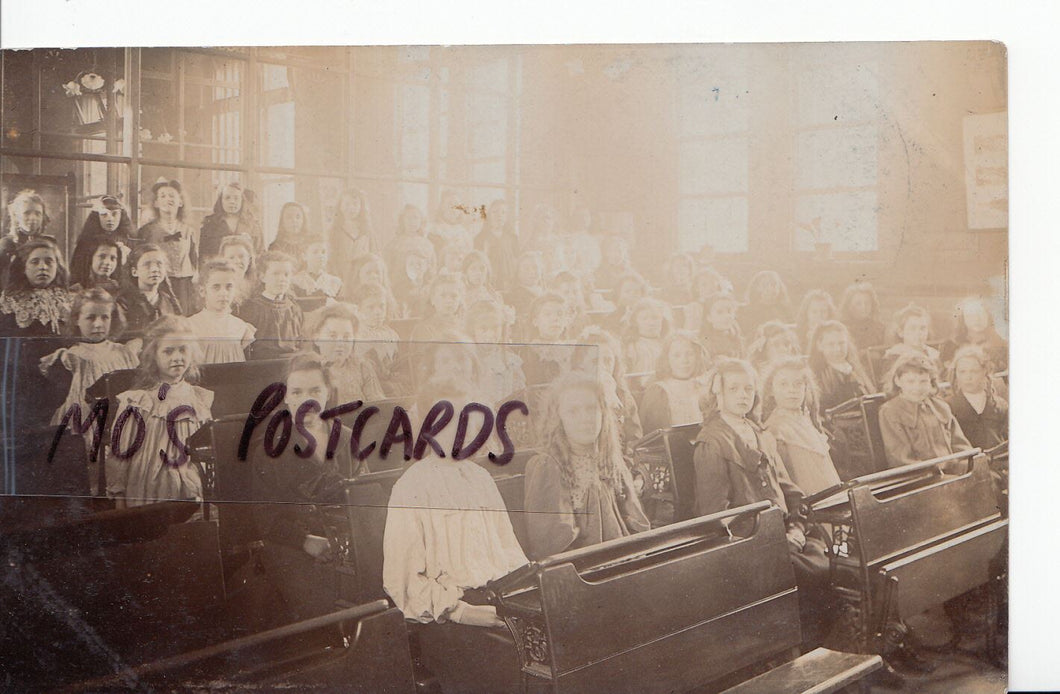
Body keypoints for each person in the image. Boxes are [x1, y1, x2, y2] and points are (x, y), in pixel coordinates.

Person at [692, 358, 832, 644]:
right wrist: (771, 537)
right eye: (733, 389)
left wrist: (795, 526)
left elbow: (788, 488)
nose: (743, 395)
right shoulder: (712, 442)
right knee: (810, 574)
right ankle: (803, 652)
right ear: (717, 396)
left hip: (785, 532)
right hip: (750, 541)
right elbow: (716, 514)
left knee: (824, 557)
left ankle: (822, 649)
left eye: (748, 388)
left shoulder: (759, 433)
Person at [250, 352, 361, 622]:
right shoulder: (270, 448)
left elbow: (362, 494)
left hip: (345, 540)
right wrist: (304, 541)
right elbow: (265, 517)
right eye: (297, 392)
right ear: (285, 397)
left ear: (328, 392)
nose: (306, 400)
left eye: (315, 390)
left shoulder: (346, 438)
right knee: (322, 612)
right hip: (292, 545)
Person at [523, 372, 650, 560]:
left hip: (624, 560)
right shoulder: (547, 466)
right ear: (558, 419)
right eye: (573, 411)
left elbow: (637, 523)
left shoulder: (611, 459)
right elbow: (553, 545)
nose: (585, 418)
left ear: (604, 413)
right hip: (584, 571)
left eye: (591, 408)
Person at [110, 316, 212, 507]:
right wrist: (118, 494)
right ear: (153, 357)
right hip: (148, 480)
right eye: (168, 351)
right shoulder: (139, 401)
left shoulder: (199, 399)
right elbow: (120, 452)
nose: (177, 357)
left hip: (189, 477)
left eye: (183, 349)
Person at [40, 288, 137, 485]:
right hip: (85, 417)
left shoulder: (123, 353)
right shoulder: (72, 356)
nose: (99, 324)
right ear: (76, 319)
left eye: (105, 317)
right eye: (90, 318)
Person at [762, 357, 842, 495]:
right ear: (771, 390)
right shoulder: (775, 430)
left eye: (798, 384)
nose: (792, 390)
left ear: (806, 388)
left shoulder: (808, 422)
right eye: (783, 384)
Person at [877, 354, 973, 469]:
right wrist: (937, 470)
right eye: (910, 382)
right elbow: (900, 458)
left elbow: (961, 446)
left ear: (931, 382)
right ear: (897, 381)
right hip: (921, 476)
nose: (917, 388)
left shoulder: (940, 407)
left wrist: (968, 464)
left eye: (923, 381)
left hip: (951, 469)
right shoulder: (890, 412)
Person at [573, 326, 644, 455]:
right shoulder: (572, 396)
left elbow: (634, 439)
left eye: (607, 361)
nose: (602, 367)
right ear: (581, 365)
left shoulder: (623, 397)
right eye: (594, 361)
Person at [135, 179, 199, 314]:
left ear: (180, 202)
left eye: (172, 196)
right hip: (159, 282)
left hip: (183, 285)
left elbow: (194, 258)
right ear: (156, 203)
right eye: (162, 196)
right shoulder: (147, 231)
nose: (167, 199)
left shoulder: (188, 230)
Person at [307, 303, 385, 404]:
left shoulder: (362, 367)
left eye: (346, 337)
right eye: (332, 336)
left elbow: (380, 407)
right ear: (316, 338)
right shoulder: (307, 370)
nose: (340, 343)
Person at [639, 330, 711, 436]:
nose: (684, 361)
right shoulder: (659, 391)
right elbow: (654, 435)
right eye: (677, 355)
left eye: (689, 354)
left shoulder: (704, 387)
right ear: (667, 359)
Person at [236, 250, 304, 360]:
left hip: (290, 365)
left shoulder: (294, 308)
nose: (282, 279)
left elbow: (299, 342)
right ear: (263, 277)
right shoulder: (252, 307)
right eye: (276, 274)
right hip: (261, 365)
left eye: (286, 274)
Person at [186, 260, 256, 364]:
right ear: (203, 291)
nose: (223, 293)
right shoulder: (190, 325)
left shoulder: (241, 327)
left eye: (229, 287)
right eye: (216, 287)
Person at [0, 237, 70, 338]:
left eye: (49, 262)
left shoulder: (67, 299)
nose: (43, 267)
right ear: (24, 268)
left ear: (57, 267)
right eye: (35, 262)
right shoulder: (9, 302)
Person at [116, 243, 182, 344]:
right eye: (147, 265)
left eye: (159, 264)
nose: (154, 269)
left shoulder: (169, 301)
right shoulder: (123, 302)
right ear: (134, 272)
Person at [945, 344, 1008, 451]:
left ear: (984, 371)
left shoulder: (1000, 405)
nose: (968, 377)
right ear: (955, 374)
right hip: (968, 463)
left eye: (974, 371)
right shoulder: (948, 406)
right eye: (962, 372)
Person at [808, 320, 876, 413]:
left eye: (841, 343)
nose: (838, 349)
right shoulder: (816, 374)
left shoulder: (855, 368)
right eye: (831, 344)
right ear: (820, 346)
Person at [466, 299, 524, 407]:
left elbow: (519, 396)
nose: (490, 334)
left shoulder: (511, 362)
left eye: (495, 328)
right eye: (484, 329)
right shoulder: (467, 361)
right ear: (472, 330)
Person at [351, 281, 404, 397]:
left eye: (381, 306)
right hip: (370, 387)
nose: (377, 312)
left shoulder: (391, 333)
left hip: (393, 385)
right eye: (370, 307)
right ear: (358, 310)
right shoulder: (357, 335)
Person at [69, 195, 132, 286]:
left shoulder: (130, 242)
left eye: (114, 214)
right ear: (96, 217)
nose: (110, 219)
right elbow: (77, 274)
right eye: (104, 214)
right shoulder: (85, 243)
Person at [940, 296, 1008, 373]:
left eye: (981, 314)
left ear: (988, 317)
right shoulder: (951, 346)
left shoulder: (1002, 345)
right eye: (971, 315)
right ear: (963, 318)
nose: (977, 319)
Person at [199, 182, 263, 259]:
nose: (232, 202)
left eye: (236, 198)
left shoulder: (253, 224)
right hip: (219, 268)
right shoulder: (210, 223)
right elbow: (203, 255)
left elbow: (261, 253)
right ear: (221, 201)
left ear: (242, 201)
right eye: (227, 198)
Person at [520, 292, 572, 387]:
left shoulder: (570, 351)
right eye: (547, 314)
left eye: (560, 314)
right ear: (535, 321)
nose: (555, 318)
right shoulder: (529, 352)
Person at [329, 188, 376, 291]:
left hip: (364, 276)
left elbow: (373, 254)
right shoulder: (335, 231)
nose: (351, 208)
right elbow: (332, 258)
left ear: (361, 207)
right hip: (343, 277)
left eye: (355, 204)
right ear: (340, 206)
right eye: (347, 204)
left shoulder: (367, 230)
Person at [1, 189, 50, 279]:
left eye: (38, 213)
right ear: (16, 216)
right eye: (26, 213)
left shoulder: (49, 244)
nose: (33, 218)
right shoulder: (6, 245)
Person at [882, 304, 942, 376]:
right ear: (900, 332)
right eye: (912, 328)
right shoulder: (894, 356)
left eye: (922, 328)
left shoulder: (933, 355)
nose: (918, 333)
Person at [474, 199, 519, 293]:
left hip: (509, 281)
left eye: (503, 212)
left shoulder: (512, 238)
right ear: (489, 215)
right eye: (495, 212)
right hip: (489, 281)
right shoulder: (480, 238)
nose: (499, 215)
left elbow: (516, 260)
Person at [622, 297, 672, 377]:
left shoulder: (670, 344)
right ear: (635, 322)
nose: (651, 323)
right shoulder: (631, 347)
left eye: (655, 318)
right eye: (644, 319)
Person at [410, 271, 465, 343]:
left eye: (454, 296)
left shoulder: (464, 326)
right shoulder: (423, 329)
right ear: (432, 299)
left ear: (460, 300)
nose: (448, 301)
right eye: (443, 296)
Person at [738, 270, 793, 336]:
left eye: (774, 284)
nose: (771, 288)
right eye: (765, 285)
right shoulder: (746, 311)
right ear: (757, 288)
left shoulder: (784, 310)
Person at [291, 235, 343, 302]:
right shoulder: (295, 281)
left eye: (323, 252)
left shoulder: (335, 282)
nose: (320, 256)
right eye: (315, 252)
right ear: (304, 256)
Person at [838, 281, 886, 350]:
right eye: (858, 303)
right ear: (849, 306)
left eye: (867, 303)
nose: (864, 307)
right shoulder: (841, 328)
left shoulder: (880, 328)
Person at [698, 291, 744, 359]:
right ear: (709, 318)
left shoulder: (736, 338)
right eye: (720, 312)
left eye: (729, 311)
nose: (727, 316)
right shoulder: (705, 341)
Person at [220, 234, 258, 303]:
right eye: (231, 257)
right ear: (223, 261)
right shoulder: (218, 289)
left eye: (241, 256)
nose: (237, 261)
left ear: (249, 259)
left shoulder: (257, 287)